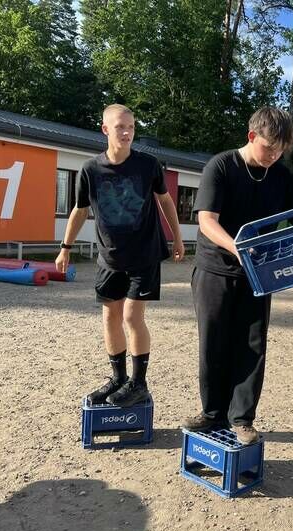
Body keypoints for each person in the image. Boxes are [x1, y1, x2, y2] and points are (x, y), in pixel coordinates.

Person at [182, 106, 293, 445]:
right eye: (269, 148)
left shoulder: (282, 176)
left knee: (252, 344)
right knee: (213, 342)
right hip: (215, 268)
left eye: (280, 150)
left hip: (258, 273)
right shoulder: (221, 166)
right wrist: (237, 247)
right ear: (252, 136)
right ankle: (211, 412)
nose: (274, 156)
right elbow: (207, 220)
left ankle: (242, 419)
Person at [55, 104, 185, 408]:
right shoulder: (90, 169)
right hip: (110, 257)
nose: (127, 133)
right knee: (110, 316)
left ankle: (138, 383)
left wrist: (177, 237)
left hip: (144, 254)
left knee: (131, 316)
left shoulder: (148, 165)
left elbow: (165, 201)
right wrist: (65, 248)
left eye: (131, 127)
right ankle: (118, 379)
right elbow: (80, 210)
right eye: (120, 127)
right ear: (105, 129)